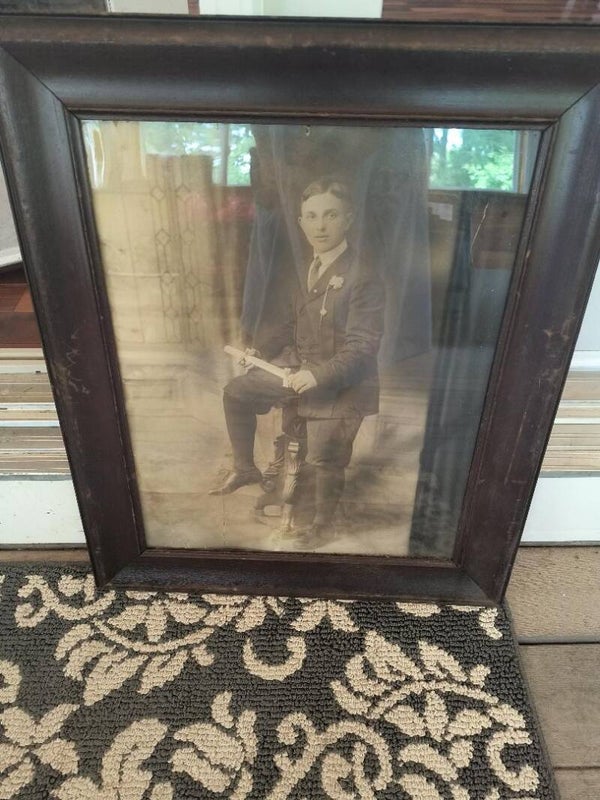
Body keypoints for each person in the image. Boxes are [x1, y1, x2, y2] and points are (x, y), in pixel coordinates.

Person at [209, 176, 385, 543]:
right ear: (302, 222)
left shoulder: (363, 275)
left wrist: (317, 375)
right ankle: (246, 469)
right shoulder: (309, 267)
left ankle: (323, 527)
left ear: (348, 219)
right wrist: (261, 352)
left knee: (324, 459)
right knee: (236, 393)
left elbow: (363, 346)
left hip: (344, 385)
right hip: (300, 373)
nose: (321, 225)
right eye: (312, 216)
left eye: (331, 215)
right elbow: (291, 324)